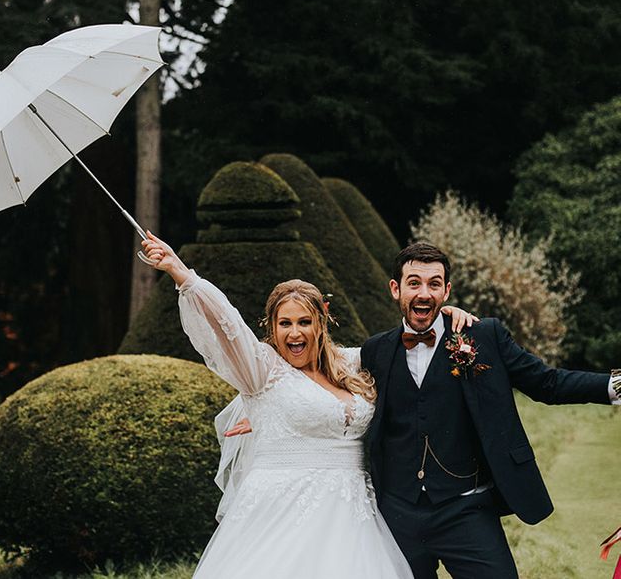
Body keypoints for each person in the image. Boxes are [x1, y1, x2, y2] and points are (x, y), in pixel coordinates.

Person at [228, 241, 621, 579]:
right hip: (396, 513)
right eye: (414, 283)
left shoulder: (482, 336)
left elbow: (547, 383)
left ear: (447, 290)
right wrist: (269, 414)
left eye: (434, 284)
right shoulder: (375, 351)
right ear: (395, 289)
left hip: (467, 506)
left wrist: (614, 385)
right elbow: (321, 378)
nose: (424, 293)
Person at [141, 231, 474, 578]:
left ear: (322, 322)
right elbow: (228, 325)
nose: (295, 333)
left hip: (355, 517)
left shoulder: (352, 363)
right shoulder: (262, 369)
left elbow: (406, 342)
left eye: (304, 322)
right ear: (272, 326)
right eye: (285, 324)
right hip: (282, 512)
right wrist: (183, 274)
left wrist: (442, 315)